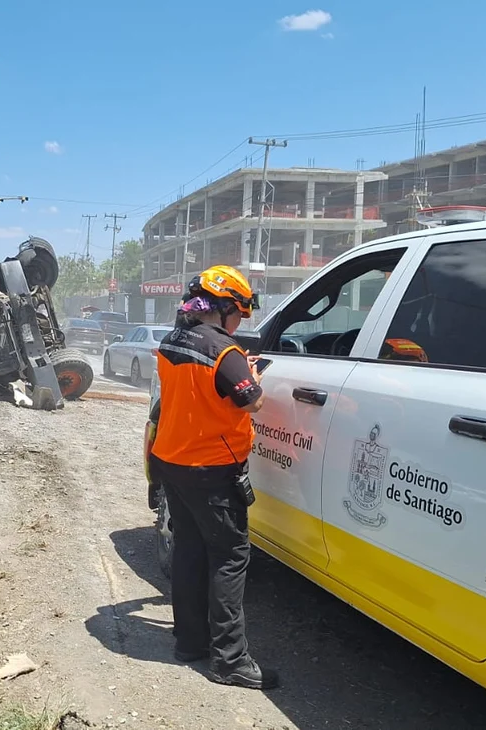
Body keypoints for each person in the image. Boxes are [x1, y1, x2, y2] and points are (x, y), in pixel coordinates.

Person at [147, 264, 276, 690]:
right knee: (229, 557)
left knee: (189, 551)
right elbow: (251, 403)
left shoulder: (171, 341)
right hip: (211, 468)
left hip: (172, 460)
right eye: (239, 313)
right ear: (223, 308)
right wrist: (251, 373)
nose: (240, 323)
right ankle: (230, 661)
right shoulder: (226, 351)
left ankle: (189, 643)